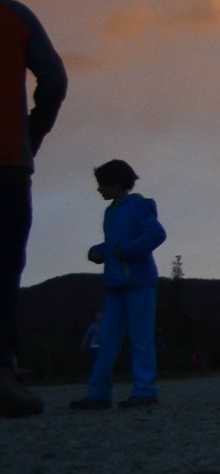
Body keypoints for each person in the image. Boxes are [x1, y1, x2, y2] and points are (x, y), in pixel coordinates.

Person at [2, 0, 69, 419]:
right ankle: (3, 375)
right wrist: (31, 135)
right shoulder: (15, 16)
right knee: (3, 268)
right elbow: (55, 82)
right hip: (6, 163)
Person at [70, 159, 162, 411]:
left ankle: (145, 391)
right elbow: (114, 244)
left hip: (139, 283)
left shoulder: (138, 206)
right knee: (107, 339)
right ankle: (98, 394)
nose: (99, 189)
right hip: (116, 286)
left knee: (141, 338)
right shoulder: (111, 211)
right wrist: (98, 251)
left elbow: (155, 234)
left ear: (118, 183)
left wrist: (128, 250)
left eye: (102, 184)